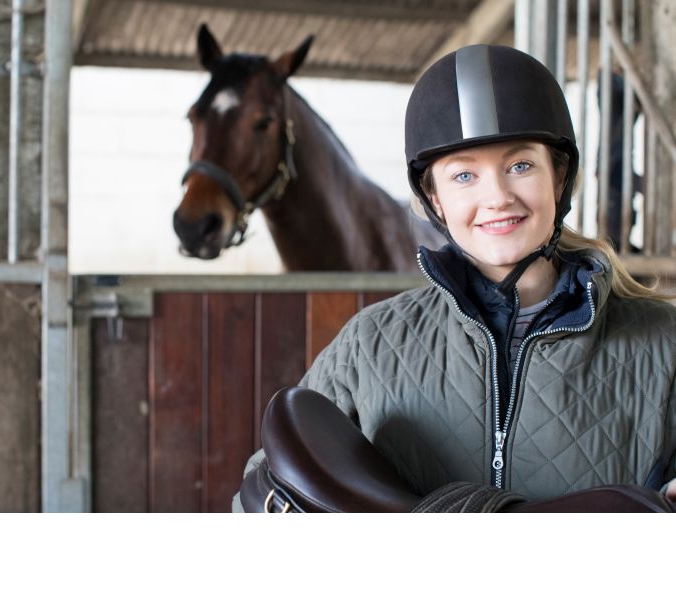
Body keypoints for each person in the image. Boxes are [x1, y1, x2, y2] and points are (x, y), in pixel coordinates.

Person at [233, 44, 676, 512]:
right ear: (435, 199)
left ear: (559, 178)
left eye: (520, 166)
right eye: (464, 176)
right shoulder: (369, 344)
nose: (498, 197)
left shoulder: (665, 344)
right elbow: (260, 492)